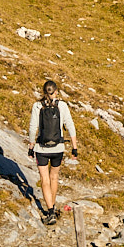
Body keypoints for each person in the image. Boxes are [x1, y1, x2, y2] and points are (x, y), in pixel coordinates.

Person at [27, 79, 77, 225]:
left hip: (41, 149)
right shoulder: (62, 106)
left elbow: (32, 128)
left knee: (45, 180)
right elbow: (71, 126)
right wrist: (74, 148)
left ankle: (50, 212)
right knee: (54, 177)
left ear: (43, 92)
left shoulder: (37, 106)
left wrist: (31, 146)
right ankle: (52, 207)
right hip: (58, 148)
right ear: (56, 92)